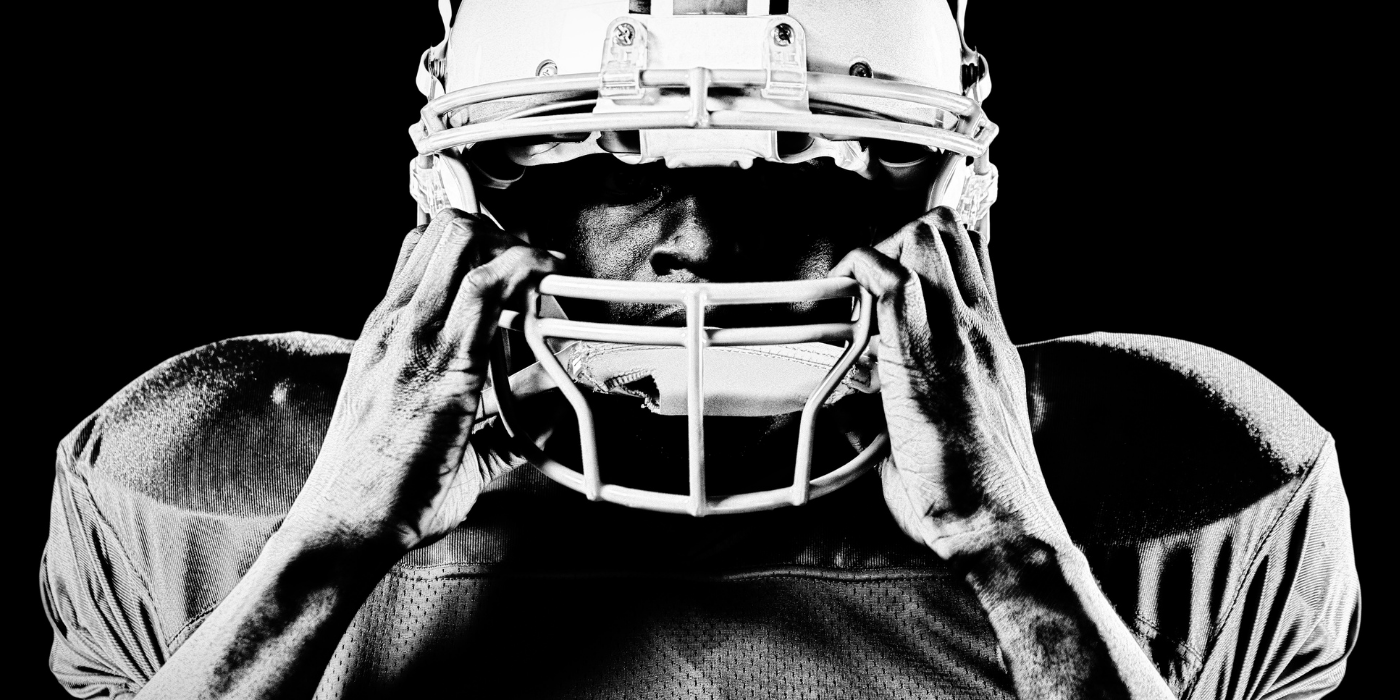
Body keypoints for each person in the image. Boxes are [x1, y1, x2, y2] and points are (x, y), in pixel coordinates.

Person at [40, 1, 1359, 698]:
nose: (695, 245)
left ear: (941, 193)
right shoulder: (199, 477)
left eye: (800, 173)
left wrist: (1023, 562)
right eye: (606, 165)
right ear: (467, 191)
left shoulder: (1194, 485)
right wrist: (322, 548)